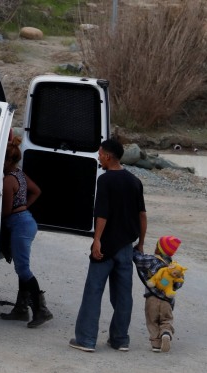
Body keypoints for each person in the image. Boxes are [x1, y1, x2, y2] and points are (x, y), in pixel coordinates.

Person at [69, 138, 147, 352]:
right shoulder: (134, 181)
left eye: (100, 153)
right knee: (123, 296)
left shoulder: (105, 180)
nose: (98, 156)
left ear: (109, 156)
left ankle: (86, 340)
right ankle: (120, 339)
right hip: (125, 248)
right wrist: (140, 243)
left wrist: (97, 241)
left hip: (105, 248)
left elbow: (102, 215)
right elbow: (142, 215)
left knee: (93, 292)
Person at [0, 136, 53, 328]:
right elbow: (36, 190)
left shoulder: (7, 181)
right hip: (26, 221)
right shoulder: (20, 174)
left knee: (23, 269)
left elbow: (5, 211)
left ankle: (41, 310)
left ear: (8, 160)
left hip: (19, 224)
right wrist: (23, 207)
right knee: (23, 266)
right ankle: (21, 309)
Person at [133, 235, 184, 353]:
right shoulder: (175, 268)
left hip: (151, 299)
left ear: (158, 249)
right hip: (167, 301)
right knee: (166, 320)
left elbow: (138, 259)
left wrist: (134, 250)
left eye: (157, 246)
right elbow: (179, 284)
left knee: (152, 322)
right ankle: (166, 333)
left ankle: (156, 344)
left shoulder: (151, 260)